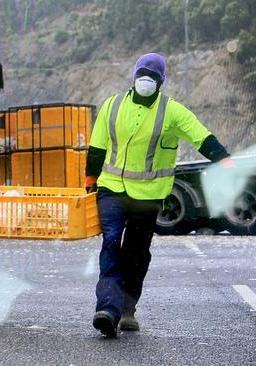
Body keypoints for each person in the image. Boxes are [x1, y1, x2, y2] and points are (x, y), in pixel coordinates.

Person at [86, 53, 233, 338]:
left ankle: (127, 309)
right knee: (111, 243)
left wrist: (224, 159)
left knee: (136, 253)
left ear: (161, 81)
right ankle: (108, 309)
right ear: (133, 75)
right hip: (112, 189)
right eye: (142, 73)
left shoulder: (172, 111)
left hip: (149, 196)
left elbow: (199, 135)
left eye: (153, 76)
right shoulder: (112, 106)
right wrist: (91, 178)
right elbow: (97, 146)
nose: (146, 80)